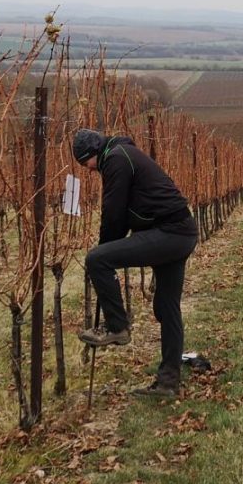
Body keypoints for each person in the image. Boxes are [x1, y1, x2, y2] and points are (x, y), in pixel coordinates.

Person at [72, 128, 199, 399]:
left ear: (92, 154)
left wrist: (105, 247)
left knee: (97, 259)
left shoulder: (116, 159)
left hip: (170, 232)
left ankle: (117, 326)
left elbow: (113, 213)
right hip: (180, 231)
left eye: (86, 164)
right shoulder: (124, 154)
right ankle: (168, 383)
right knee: (167, 306)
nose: (89, 170)